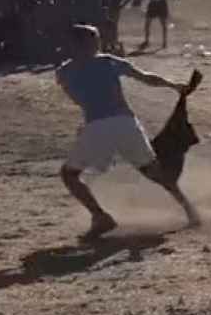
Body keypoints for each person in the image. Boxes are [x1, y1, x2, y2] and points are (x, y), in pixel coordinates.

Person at [56, 24, 200, 241]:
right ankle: (190, 210)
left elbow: (80, 100)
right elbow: (146, 77)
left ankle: (100, 217)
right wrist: (174, 86)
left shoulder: (63, 72)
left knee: (70, 174)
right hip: (126, 123)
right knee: (154, 171)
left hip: (98, 126)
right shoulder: (109, 61)